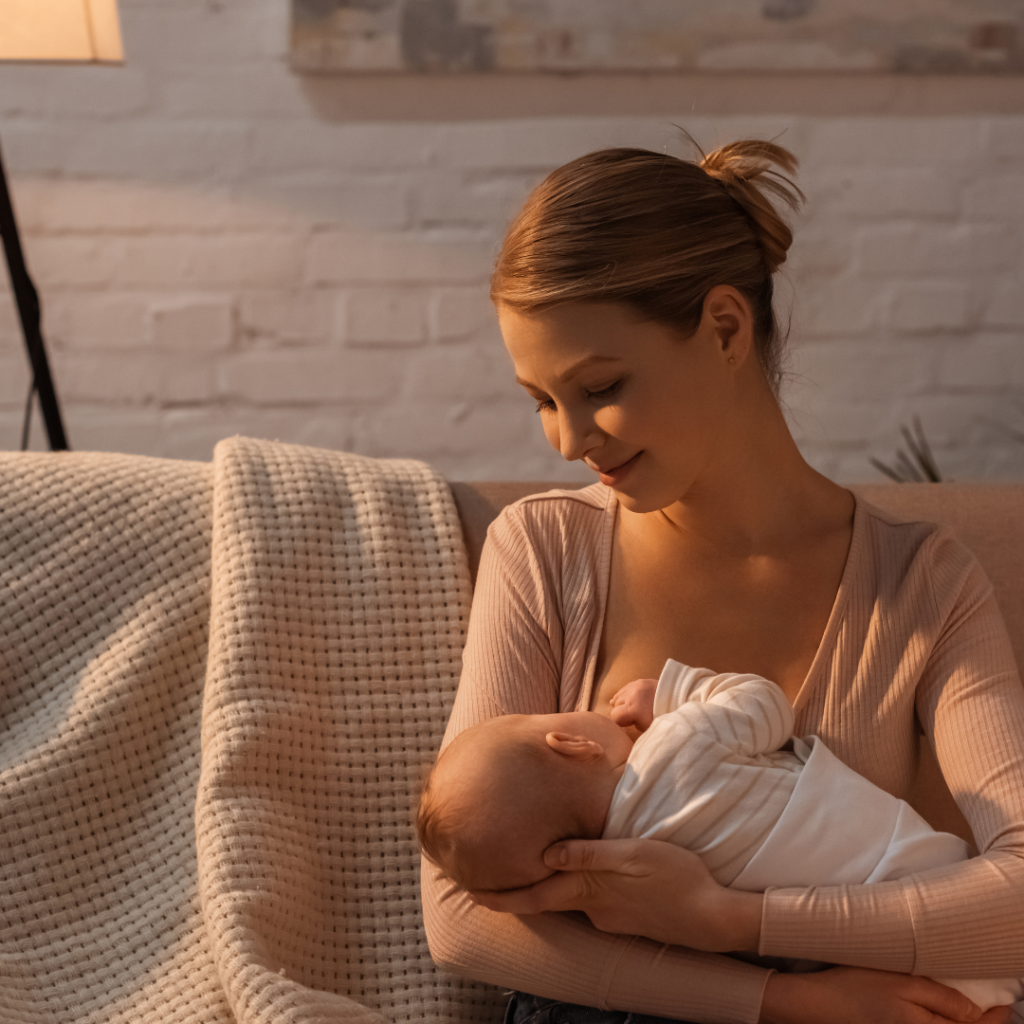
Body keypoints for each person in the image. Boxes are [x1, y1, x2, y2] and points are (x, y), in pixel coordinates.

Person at [419, 138, 1024, 1024]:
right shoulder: (545, 550)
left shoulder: (922, 583)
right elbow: (464, 919)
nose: (566, 439)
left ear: (728, 328)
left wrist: (730, 918)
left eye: (601, 386)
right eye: (542, 399)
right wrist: (778, 1000)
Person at [417, 660, 1023, 1011]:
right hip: (938, 895)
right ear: (572, 744)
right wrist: (675, 693)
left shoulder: (614, 893)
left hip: (857, 967)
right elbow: (762, 704)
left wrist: (725, 921)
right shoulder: (678, 743)